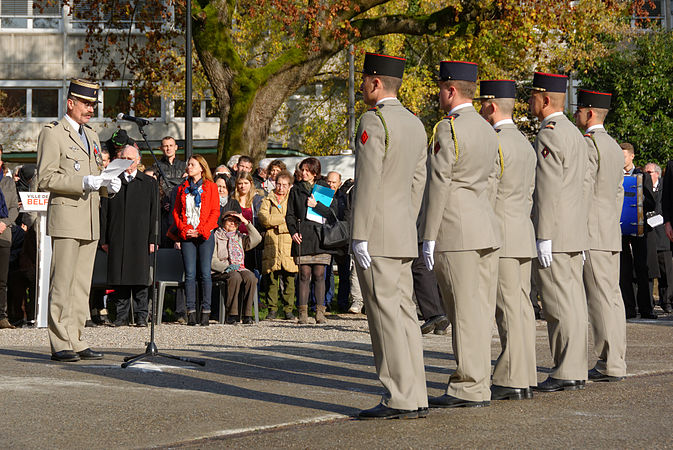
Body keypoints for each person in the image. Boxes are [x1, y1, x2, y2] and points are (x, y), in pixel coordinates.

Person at [351, 53, 427, 420]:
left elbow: (367, 182)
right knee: (405, 314)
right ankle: (416, 393)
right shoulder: (415, 124)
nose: (362, 86)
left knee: (384, 317)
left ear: (376, 83)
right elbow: (418, 182)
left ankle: (398, 395)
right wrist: (405, 221)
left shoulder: (374, 120)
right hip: (400, 231)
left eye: (366, 79)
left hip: (377, 232)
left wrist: (360, 233)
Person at [422, 61, 501, 408]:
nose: (439, 94)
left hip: (455, 230)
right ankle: (479, 382)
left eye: (441, 88)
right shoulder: (487, 129)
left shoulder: (447, 128)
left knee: (463, 313)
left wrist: (428, 235)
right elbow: (494, 178)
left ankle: (468, 386)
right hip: (485, 227)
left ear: (451, 91)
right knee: (480, 312)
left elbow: (439, 184)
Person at [36, 79, 121, 362]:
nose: (90, 109)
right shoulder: (53, 134)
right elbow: (46, 178)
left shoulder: (93, 136)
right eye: (86, 103)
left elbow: (97, 173)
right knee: (62, 283)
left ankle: (75, 337)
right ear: (70, 102)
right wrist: (83, 181)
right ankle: (60, 342)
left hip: (89, 217)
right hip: (66, 216)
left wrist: (109, 183)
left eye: (93, 105)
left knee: (81, 285)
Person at [527, 72, 590, 392]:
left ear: (546, 99)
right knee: (573, 302)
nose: (530, 100)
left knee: (557, 304)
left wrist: (544, 234)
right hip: (572, 229)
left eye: (534, 95)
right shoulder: (572, 132)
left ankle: (566, 370)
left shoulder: (550, 133)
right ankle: (575, 368)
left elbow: (548, 188)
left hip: (555, 230)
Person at [478, 79, 537, 400]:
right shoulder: (524, 142)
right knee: (520, 308)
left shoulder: (496, 141)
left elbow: (488, 192)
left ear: (492, 105)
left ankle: (512, 376)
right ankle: (524, 375)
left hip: (501, 235)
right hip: (521, 233)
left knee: (508, 309)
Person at [574, 89, 628, 382]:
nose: (577, 114)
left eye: (580, 109)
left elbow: (583, 190)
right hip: (609, 229)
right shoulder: (611, 146)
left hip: (592, 231)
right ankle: (616, 356)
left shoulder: (589, 145)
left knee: (599, 299)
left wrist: (578, 229)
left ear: (590, 112)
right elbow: (618, 191)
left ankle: (610, 362)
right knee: (613, 296)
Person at [100, 145, 158, 327]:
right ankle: (121, 316)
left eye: (130, 159)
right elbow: (104, 214)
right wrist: (104, 239)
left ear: (138, 160)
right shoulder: (112, 181)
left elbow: (154, 214)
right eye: (123, 158)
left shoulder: (148, 183)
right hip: (117, 237)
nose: (127, 162)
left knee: (140, 279)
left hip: (140, 238)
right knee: (120, 278)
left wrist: (153, 240)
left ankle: (141, 316)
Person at [286, 157, 337, 325]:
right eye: (303, 169)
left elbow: (332, 213)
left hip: (320, 236)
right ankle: (302, 312)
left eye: (308, 170)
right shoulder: (295, 190)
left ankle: (320, 312)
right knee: (304, 274)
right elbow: (290, 214)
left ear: (315, 172)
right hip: (302, 236)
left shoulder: (323, 188)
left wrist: (316, 206)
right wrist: (293, 232)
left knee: (319, 274)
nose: (304, 172)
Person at [173, 154, 220, 326]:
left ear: (201, 167)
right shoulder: (181, 189)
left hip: (205, 235)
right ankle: (191, 311)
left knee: (205, 273)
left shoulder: (211, 187)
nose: (189, 167)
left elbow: (215, 212)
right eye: (188, 164)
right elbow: (177, 213)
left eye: (192, 164)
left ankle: (206, 311)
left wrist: (200, 231)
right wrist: (185, 229)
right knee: (190, 274)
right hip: (187, 235)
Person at [620, 143, 657, 319]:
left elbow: (652, 202)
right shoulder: (615, 176)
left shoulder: (642, 175)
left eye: (624, 156)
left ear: (632, 156)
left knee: (642, 268)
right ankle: (628, 308)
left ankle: (646, 308)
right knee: (624, 270)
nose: (622, 160)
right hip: (620, 228)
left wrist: (639, 195)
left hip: (640, 227)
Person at [258, 171, 298, 320]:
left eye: (284, 185)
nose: (281, 187)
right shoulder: (268, 199)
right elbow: (264, 218)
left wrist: (279, 226)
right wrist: (284, 219)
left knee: (289, 279)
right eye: (278, 184)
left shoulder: (292, 199)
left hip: (288, 243)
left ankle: (288, 310)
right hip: (271, 243)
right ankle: (272, 310)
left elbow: (295, 220)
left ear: (289, 186)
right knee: (271, 278)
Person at [212, 211, 262, 324]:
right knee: (235, 276)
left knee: (251, 277)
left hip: (239, 267)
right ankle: (232, 314)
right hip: (221, 269)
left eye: (236, 222)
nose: (233, 223)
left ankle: (247, 314)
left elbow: (257, 238)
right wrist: (227, 267)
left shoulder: (240, 237)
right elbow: (212, 260)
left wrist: (246, 222)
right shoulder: (215, 236)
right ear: (223, 221)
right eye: (230, 220)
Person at [645, 162, 672, 313]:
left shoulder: (664, 187)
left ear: (657, 173)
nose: (646, 175)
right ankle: (648, 303)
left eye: (649, 172)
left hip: (663, 234)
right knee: (650, 271)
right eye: (645, 172)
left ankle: (667, 302)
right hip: (649, 235)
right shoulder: (642, 187)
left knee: (666, 273)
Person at [0, 148, 19, 329]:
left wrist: (5, 223)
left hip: (3, 232)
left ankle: (2, 316)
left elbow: (14, 207)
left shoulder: (7, 182)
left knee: (2, 277)